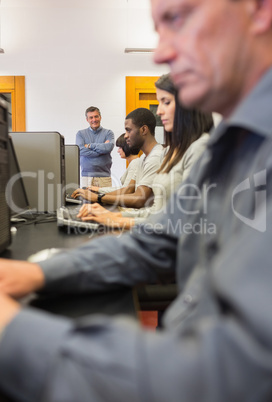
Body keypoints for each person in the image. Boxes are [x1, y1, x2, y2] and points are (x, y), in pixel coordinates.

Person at [0, 0, 272, 400]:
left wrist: (15, 334)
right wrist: (38, 274)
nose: (161, 51)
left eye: (177, 18)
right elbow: (154, 241)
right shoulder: (226, 147)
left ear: (259, 10)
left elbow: (233, 374)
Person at [78, 74, 214, 229]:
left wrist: (113, 214)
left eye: (166, 102)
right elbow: (157, 211)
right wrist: (113, 216)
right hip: (155, 233)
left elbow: (185, 219)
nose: (160, 111)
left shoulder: (199, 148)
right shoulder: (171, 151)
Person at [72, 108, 164, 209]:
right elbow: (127, 189)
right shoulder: (143, 158)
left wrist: (98, 197)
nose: (125, 136)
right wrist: (97, 195)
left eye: (128, 130)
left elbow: (139, 199)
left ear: (143, 130)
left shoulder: (155, 157)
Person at [76, 106, 115, 188]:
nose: (94, 120)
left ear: (100, 117)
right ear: (87, 120)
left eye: (96, 116)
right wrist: (101, 151)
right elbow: (80, 150)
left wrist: (90, 145)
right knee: (86, 201)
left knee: (105, 201)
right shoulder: (80, 134)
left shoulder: (108, 133)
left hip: (104, 177)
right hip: (86, 177)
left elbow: (108, 147)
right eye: (91, 117)